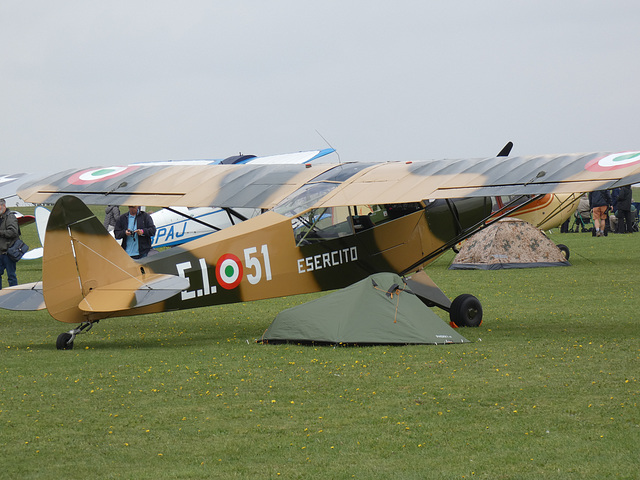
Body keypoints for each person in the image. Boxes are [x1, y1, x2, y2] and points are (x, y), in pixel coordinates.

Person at [0, 198, 20, 288]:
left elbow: (13, 232)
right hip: (0, 252)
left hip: (9, 252)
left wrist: (0, 232)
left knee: (11, 276)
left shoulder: (10, 217)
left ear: (3, 206)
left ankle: (14, 295)